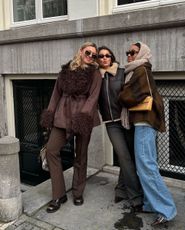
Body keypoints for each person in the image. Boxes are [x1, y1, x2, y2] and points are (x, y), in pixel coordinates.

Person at [119, 42, 177, 226]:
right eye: (127, 52)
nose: (129, 55)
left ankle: (166, 210)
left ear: (142, 53)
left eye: (133, 52)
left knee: (147, 167)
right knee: (145, 166)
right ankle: (151, 204)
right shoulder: (135, 70)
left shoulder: (141, 69)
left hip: (145, 122)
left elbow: (130, 96)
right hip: (142, 122)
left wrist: (120, 94)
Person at [40, 42, 102, 213]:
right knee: (51, 150)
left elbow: (93, 98)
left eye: (94, 55)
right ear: (81, 51)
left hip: (84, 117)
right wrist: (50, 115)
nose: (90, 56)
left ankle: (78, 192)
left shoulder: (95, 74)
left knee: (80, 156)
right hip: (62, 115)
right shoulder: (65, 70)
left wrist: (82, 117)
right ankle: (59, 194)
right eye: (88, 52)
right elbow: (55, 95)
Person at [97, 46, 143, 209]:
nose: (104, 58)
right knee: (124, 157)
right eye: (101, 56)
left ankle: (121, 190)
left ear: (112, 57)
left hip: (127, 120)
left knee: (129, 157)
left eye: (107, 55)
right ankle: (136, 196)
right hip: (111, 123)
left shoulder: (122, 72)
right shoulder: (96, 78)